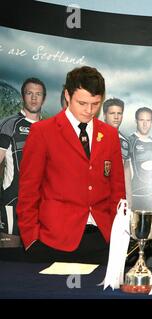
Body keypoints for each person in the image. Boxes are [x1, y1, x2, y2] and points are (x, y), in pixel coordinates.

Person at [16, 66, 125, 264]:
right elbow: (28, 191)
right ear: (67, 95)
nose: (89, 110)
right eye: (82, 103)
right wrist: (31, 240)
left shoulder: (109, 135)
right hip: (53, 242)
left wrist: (117, 236)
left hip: (102, 241)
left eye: (95, 104)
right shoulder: (42, 132)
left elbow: (117, 191)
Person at [0, 77, 46, 260]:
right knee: (7, 262)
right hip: (12, 203)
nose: (34, 98)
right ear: (22, 96)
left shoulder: (49, 128)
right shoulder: (9, 124)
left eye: (38, 94)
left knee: (37, 265)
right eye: (29, 93)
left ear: (43, 98)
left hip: (42, 208)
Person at [129, 107, 152, 211]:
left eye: (148, 120)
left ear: (151, 122)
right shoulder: (130, 141)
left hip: (150, 198)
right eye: (141, 120)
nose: (145, 124)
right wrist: (127, 195)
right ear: (136, 121)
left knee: (149, 226)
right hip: (133, 197)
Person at [102, 98, 132, 204]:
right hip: (99, 195)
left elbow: (126, 172)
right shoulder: (95, 136)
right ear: (105, 115)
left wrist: (129, 200)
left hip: (117, 197)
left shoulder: (125, 142)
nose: (116, 117)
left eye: (119, 113)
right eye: (112, 113)